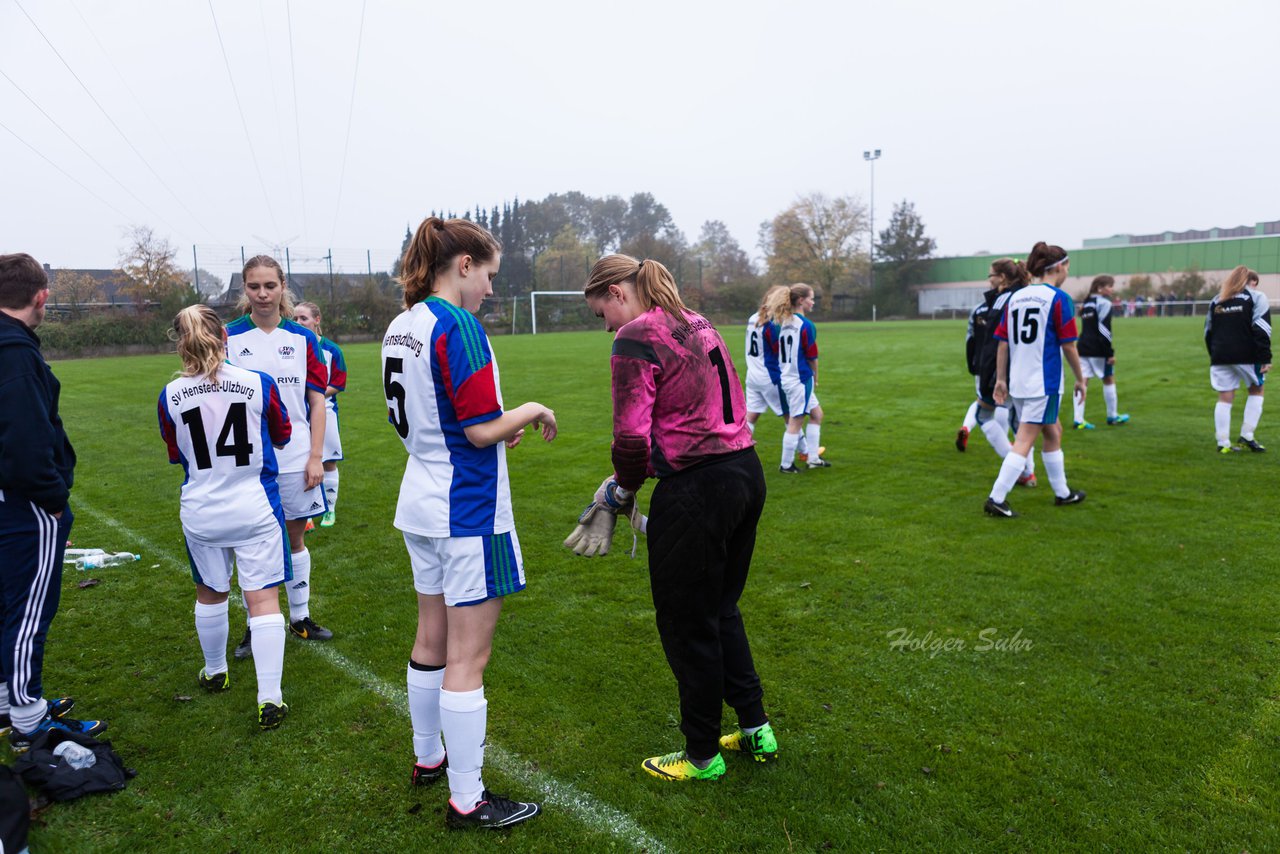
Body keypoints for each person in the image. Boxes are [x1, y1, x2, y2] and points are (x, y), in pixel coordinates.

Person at [384, 217, 555, 830]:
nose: (489, 288)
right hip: (467, 508)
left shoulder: (401, 324)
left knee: (430, 636)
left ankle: (428, 760)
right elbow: (480, 428)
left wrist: (486, 431)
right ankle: (468, 798)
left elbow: (443, 420)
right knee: (467, 655)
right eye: (487, 274)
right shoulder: (459, 324)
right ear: (462, 265)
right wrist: (530, 411)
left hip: (421, 499)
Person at [581, 253, 776, 783]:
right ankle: (756, 727)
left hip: (698, 487)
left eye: (603, 314)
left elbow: (630, 435)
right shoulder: (698, 318)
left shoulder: (636, 335)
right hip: (745, 472)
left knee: (688, 623)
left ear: (618, 294)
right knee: (721, 609)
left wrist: (621, 489)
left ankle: (701, 755)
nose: (607, 328)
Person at [157, 305, 292, 729]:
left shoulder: (169, 394)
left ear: (182, 344)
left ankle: (215, 671)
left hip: (202, 510)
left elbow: (176, 454)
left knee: (210, 592)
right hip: (255, 506)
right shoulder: (258, 383)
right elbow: (283, 434)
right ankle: (270, 698)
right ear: (225, 337)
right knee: (263, 599)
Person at [0, 253, 106, 751]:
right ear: (41, 296)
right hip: (24, 505)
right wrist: (53, 498)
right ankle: (28, 718)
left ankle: (9, 699)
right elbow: (25, 439)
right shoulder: (15, 351)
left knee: (8, 605)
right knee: (28, 612)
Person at [225, 256, 332, 659]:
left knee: (295, 538)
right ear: (245, 290)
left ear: (283, 286)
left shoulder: (304, 339)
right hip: (247, 462)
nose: (263, 294)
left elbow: (317, 402)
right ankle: (257, 624)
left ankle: (300, 617)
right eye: (255, 286)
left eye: (270, 285)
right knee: (253, 546)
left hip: (296, 456)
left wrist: (316, 456)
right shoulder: (229, 336)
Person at [984, 242, 1086, 517]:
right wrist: (1081, 378)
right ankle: (996, 497)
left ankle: (1062, 493)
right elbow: (1069, 345)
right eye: (1067, 267)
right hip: (1044, 383)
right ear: (1058, 267)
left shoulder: (1016, 297)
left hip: (1018, 381)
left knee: (1053, 432)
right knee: (1025, 439)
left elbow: (1003, 343)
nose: (1067, 272)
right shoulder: (1058, 299)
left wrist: (1001, 380)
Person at [970, 260, 1037, 486]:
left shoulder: (1002, 300)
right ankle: (1030, 471)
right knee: (1021, 422)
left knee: (983, 416)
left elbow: (995, 343)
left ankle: (1019, 469)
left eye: (992, 276)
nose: (989, 280)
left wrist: (992, 375)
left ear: (1004, 278)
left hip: (1003, 370)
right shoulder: (1030, 296)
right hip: (1027, 370)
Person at [1204, 265, 1270, 453]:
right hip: (1246, 355)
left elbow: (1207, 332)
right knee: (1256, 389)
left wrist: (1214, 354)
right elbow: (1262, 328)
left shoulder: (1217, 300)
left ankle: (1223, 443)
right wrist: (1265, 357)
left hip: (1220, 355)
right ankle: (1247, 436)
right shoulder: (1256, 297)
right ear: (1250, 281)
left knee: (1225, 396)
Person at [293, 302, 346, 528]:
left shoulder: (332, 350)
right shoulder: (291, 346)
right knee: (300, 460)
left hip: (325, 410)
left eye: (303, 318)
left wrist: (314, 394)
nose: (299, 323)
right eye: (295, 318)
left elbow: (338, 383)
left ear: (317, 320)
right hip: (298, 411)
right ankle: (306, 515)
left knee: (328, 462)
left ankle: (329, 510)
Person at [767, 283, 829, 471]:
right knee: (796, 421)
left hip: (788, 377)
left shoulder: (784, 322)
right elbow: (812, 357)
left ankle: (813, 459)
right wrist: (816, 377)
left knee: (817, 415)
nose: (813, 302)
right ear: (801, 301)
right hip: (800, 379)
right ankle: (786, 465)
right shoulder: (805, 325)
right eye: (811, 298)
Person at [1073, 275, 1129, 429]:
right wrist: (1109, 352)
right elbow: (1104, 329)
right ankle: (1112, 416)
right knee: (1108, 379)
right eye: (1110, 286)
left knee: (1082, 380)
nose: (1112, 289)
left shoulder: (1087, 303)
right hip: (1098, 349)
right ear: (1100, 288)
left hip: (1082, 346)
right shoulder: (1104, 303)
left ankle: (1078, 420)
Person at [743, 286, 786, 436]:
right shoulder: (772, 323)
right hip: (769, 377)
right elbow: (779, 351)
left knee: (750, 417)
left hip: (752, 376)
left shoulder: (753, 318)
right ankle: (806, 452)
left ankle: (740, 447)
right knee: (792, 417)